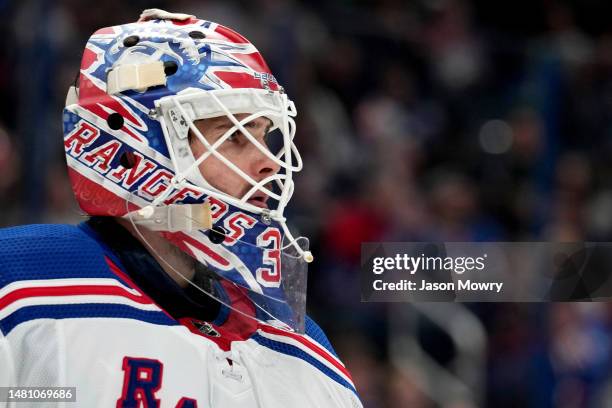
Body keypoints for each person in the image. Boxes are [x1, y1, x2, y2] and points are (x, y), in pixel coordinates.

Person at [0, 9, 361, 407]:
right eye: (235, 137)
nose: (269, 162)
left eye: (264, 135)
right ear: (136, 147)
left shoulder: (302, 346)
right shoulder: (22, 281)